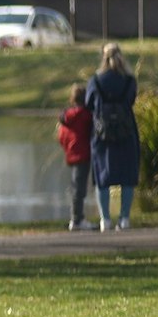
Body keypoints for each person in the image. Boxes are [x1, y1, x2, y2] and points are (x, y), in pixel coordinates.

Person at [84, 42, 140, 231]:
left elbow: (89, 103)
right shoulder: (129, 80)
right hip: (126, 131)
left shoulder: (95, 81)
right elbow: (131, 99)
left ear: (103, 57)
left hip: (102, 134)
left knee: (102, 176)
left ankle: (105, 219)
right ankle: (124, 218)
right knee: (127, 175)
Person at [56, 81, 93, 230]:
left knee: (76, 186)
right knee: (79, 189)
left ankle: (76, 218)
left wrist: (67, 148)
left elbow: (61, 136)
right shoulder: (85, 115)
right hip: (83, 154)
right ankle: (77, 219)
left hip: (71, 155)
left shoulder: (67, 117)